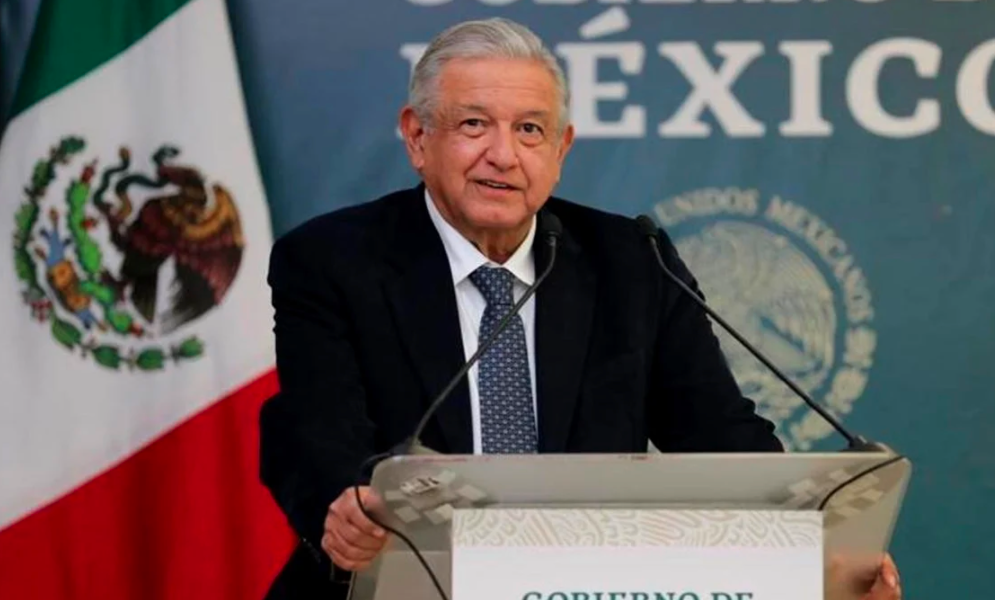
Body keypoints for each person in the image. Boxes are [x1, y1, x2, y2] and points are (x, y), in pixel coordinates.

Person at [259, 17, 902, 600]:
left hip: (581, 586)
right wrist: (342, 510)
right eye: (474, 124)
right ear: (417, 137)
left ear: (561, 149)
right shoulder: (331, 260)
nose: (504, 155)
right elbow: (319, 435)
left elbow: (720, 437)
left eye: (529, 130)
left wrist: (816, 558)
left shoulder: (632, 261)